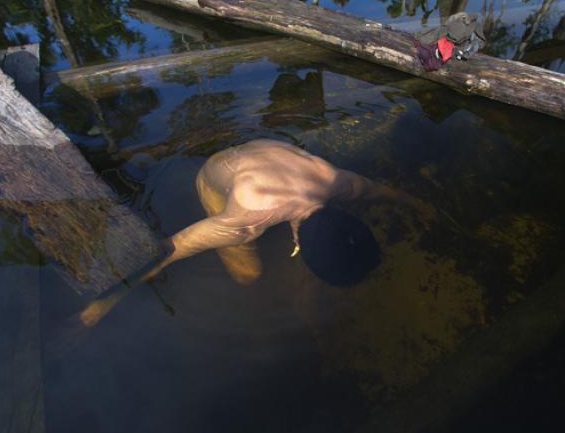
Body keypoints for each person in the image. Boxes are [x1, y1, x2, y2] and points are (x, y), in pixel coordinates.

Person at [80, 139, 432, 326]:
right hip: (218, 179)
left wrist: (419, 205)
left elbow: (382, 192)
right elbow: (171, 248)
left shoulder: (336, 180)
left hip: (257, 155)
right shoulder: (245, 221)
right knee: (249, 274)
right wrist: (102, 303)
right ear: (297, 245)